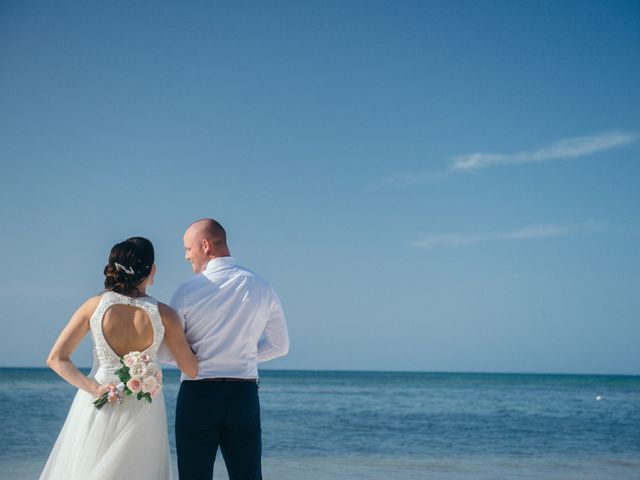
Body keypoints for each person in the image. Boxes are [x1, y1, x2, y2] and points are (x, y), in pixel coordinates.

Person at [40, 237, 198, 480]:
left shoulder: (93, 306)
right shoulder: (165, 315)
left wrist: (94, 389)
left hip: (100, 401)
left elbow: (56, 359)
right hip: (144, 411)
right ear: (151, 268)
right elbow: (191, 369)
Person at [168, 218, 289, 480]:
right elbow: (280, 345)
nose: (185, 256)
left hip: (197, 396)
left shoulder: (186, 291)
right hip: (242, 396)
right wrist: (240, 354)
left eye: (188, 249)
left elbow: (168, 350)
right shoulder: (262, 286)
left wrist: (194, 359)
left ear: (205, 245)